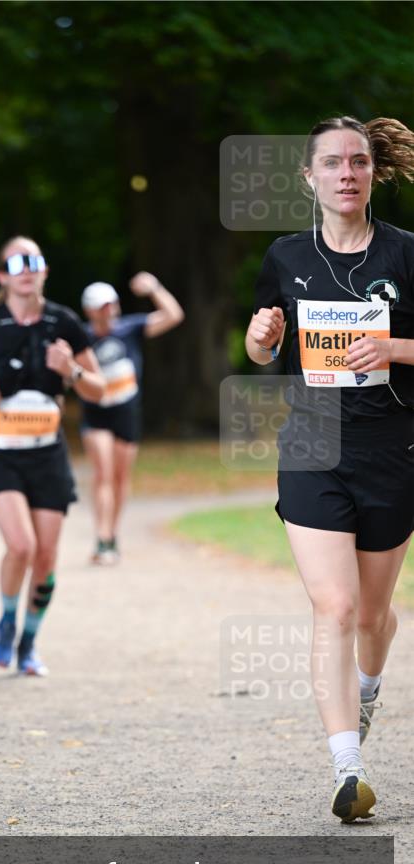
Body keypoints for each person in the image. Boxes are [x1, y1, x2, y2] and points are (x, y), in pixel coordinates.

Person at [245, 116, 414, 822]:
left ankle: (366, 692)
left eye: (358, 162)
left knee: (374, 615)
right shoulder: (285, 257)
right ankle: (347, 768)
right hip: (311, 450)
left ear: (372, 173)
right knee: (334, 607)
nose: (346, 173)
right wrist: (258, 340)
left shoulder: (406, 254)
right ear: (308, 177)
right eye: (332, 163)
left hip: (391, 452)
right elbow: (261, 351)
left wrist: (394, 350)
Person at [0, 236, 105, 676]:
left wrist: (70, 371)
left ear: (44, 270)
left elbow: (99, 387)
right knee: (21, 545)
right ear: (2, 275)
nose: (26, 268)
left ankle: (29, 641)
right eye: (16, 262)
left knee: (46, 557)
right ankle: (5, 620)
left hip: (47, 453)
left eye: (34, 260)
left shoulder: (64, 322)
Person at [80, 274, 184, 564]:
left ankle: (112, 534)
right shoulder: (83, 337)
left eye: (111, 304)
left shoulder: (130, 328)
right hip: (96, 414)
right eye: (102, 306)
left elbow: (174, 315)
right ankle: (101, 538)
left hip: (126, 414)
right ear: (90, 310)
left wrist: (155, 288)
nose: (109, 310)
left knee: (120, 477)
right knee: (102, 473)